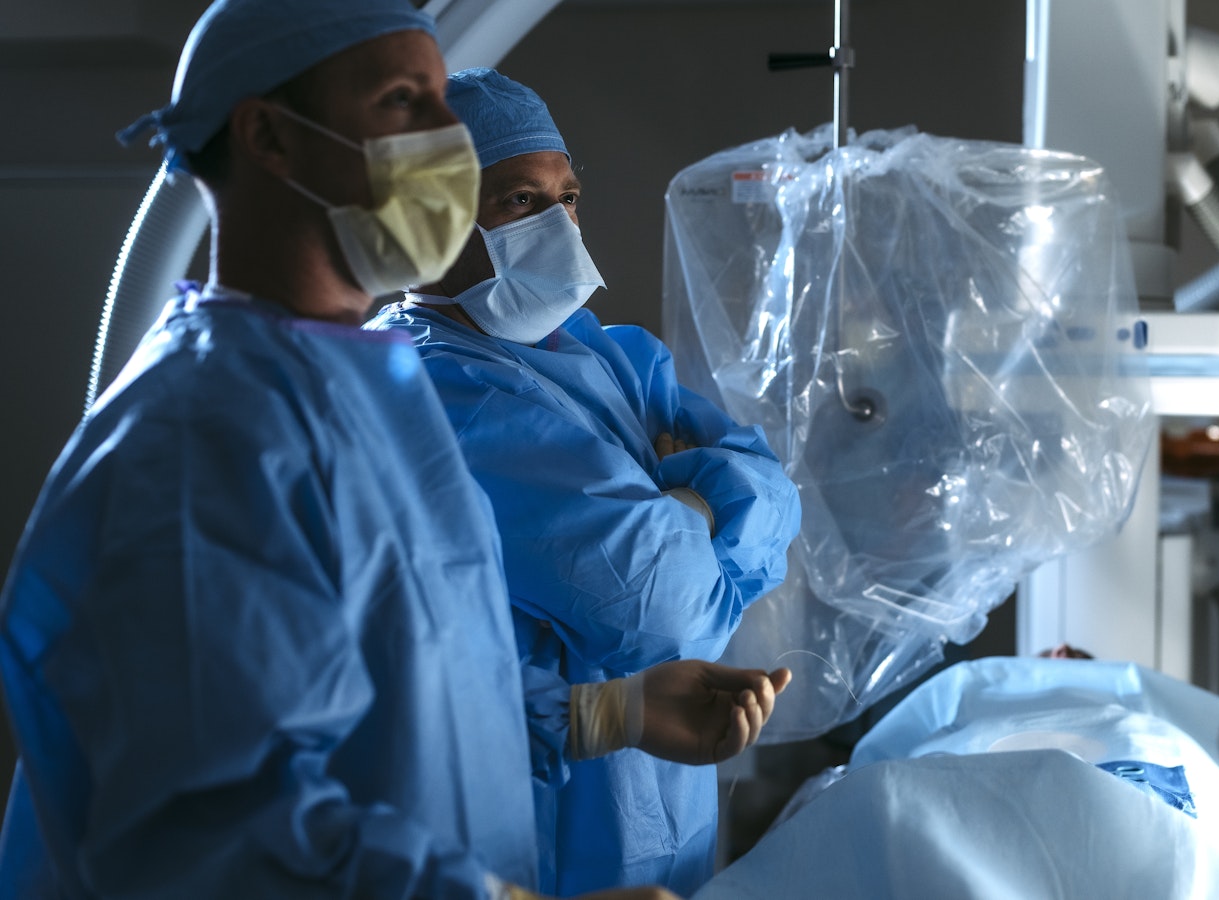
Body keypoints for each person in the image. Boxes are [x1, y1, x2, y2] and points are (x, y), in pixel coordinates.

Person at [0, 2, 787, 898]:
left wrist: (607, 712)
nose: (449, 141)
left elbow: (414, 688)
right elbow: (208, 832)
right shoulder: (202, 442)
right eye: (406, 102)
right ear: (270, 135)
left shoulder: (364, 389)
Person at [366, 68, 802, 896]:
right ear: (429, 220)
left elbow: (777, 496)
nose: (560, 226)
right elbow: (662, 611)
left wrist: (678, 505)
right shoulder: (434, 389)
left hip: (664, 790)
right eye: (521, 204)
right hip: (543, 820)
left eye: (567, 198)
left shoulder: (606, 351)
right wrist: (700, 494)